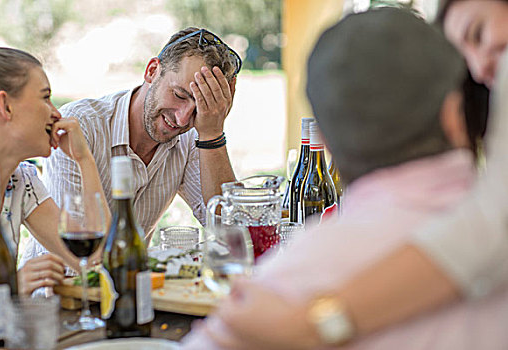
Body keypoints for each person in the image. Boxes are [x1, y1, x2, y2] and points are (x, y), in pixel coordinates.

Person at [181, 7, 508, 349]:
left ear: (321, 139)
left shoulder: (279, 289)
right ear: (457, 116)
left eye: (480, 32)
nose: (486, 63)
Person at [21, 27, 241, 262]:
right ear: (152, 71)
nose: (182, 118)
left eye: (200, 108)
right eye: (179, 95)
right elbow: (81, 255)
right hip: (59, 291)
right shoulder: (81, 126)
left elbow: (231, 233)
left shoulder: (191, 136)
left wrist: (212, 134)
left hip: (129, 288)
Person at [0, 47, 109, 295]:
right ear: (5, 106)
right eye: (45, 97)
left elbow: (95, 262)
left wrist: (84, 159)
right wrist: (12, 286)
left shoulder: (20, 183)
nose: (56, 113)